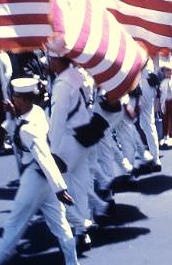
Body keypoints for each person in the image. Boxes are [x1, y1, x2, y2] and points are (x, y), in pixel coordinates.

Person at [0, 78, 79, 265]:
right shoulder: (37, 112)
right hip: (47, 181)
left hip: (35, 178)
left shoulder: (27, 129)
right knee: (61, 226)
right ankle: (72, 263)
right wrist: (14, 114)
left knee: (14, 225)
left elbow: (43, 155)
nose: (13, 100)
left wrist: (60, 189)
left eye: (16, 97)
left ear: (24, 99)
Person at [47, 54, 94, 251]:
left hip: (67, 141)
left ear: (58, 61)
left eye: (51, 59)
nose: (49, 63)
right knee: (80, 187)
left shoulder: (61, 84)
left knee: (55, 191)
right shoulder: (80, 76)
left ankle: (79, 226)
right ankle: (83, 233)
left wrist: (51, 150)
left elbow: (58, 118)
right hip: (84, 136)